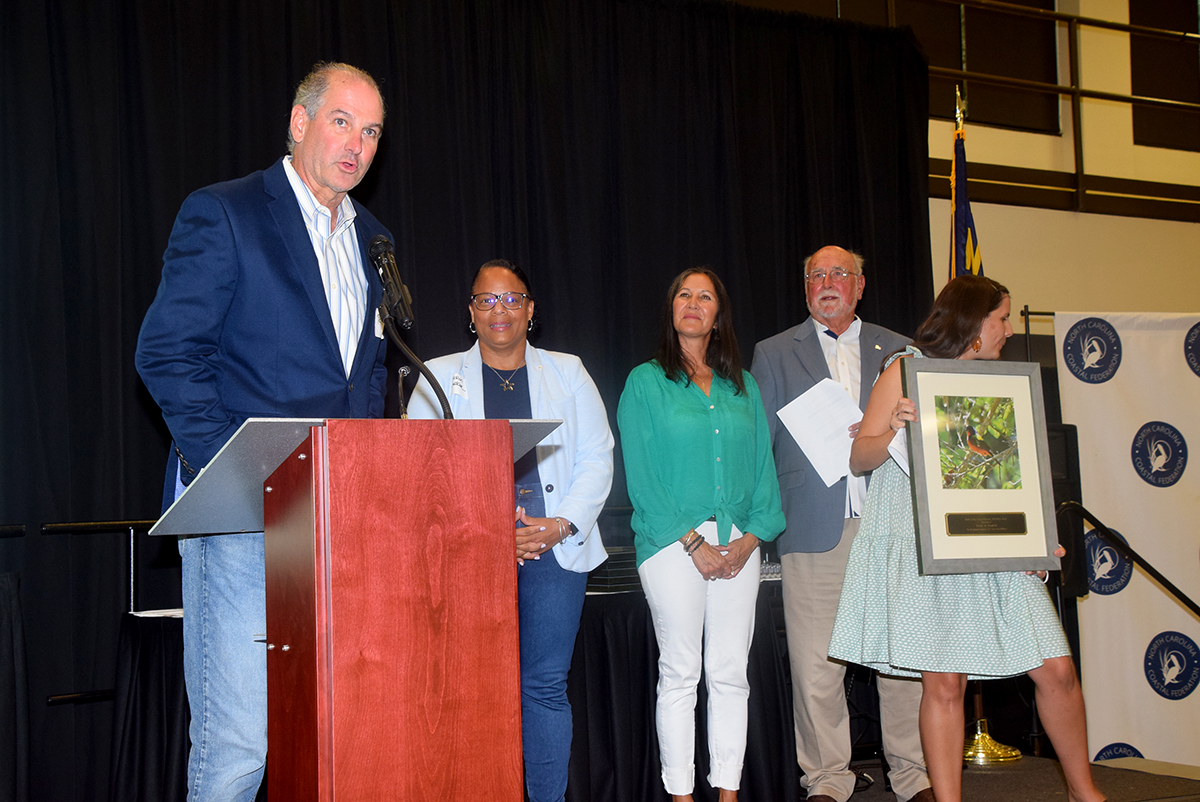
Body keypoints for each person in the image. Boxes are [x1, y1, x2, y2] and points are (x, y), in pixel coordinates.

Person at [135, 62, 391, 801]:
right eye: (342, 121)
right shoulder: (227, 212)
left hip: (333, 513)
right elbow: (166, 351)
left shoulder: (374, 238)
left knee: (324, 728)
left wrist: (363, 480)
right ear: (300, 120)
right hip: (246, 514)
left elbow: (364, 378)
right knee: (241, 741)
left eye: (372, 130)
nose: (357, 144)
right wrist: (238, 473)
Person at [828, 275, 1107, 802]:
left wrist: (1038, 537)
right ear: (974, 323)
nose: (1006, 329)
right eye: (1001, 317)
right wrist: (894, 426)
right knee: (945, 683)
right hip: (924, 548)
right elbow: (859, 457)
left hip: (993, 547)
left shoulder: (999, 384)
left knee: (1056, 668)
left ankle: (1083, 792)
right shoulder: (905, 368)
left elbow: (1014, 475)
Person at [407, 259, 614, 802]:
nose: (499, 310)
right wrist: (485, 526)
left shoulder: (568, 371)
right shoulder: (435, 374)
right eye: (486, 300)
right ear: (471, 314)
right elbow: (419, 470)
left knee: (543, 688)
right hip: (469, 551)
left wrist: (560, 523)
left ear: (530, 310)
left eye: (511, 299)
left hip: (553, 550)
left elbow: (598, 456)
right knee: (472, 691)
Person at [750, 246, 932, 802]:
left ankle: (914, 774)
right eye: (816, 275)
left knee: (901, 658)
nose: (827, 282)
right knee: (815, 664)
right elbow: (759, 448)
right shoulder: (774, 352)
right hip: (812, 527)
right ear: (805, 287)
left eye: (839, 274)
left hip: (892, 529)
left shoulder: (901, 350)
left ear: (860, 286)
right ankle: (827, 780)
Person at [617, 267, 785, 802]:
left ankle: (727, 793)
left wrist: (749, 539)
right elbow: (642, 477)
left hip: (740, 545)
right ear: (672, 309)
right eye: (683, 295)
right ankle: (681, 795)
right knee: (682, 671)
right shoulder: (645, 382)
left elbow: (763, 470)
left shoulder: (744, 385)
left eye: (705, 296)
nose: (693, 302)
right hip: (672, 546)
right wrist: (695, 544)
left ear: (718, 314)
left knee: (731, 672)